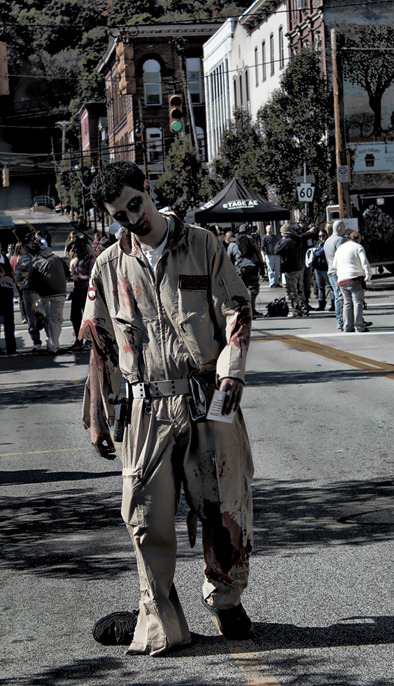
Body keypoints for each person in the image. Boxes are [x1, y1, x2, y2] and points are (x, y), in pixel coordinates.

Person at [80, 161, 254, 657]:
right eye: (119, 214)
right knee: (144, 516)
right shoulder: (108, 266)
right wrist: (97, 416)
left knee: (225, 507)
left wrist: (232, 370)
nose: (132, 218)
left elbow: (236, 309)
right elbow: (100, 345)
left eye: (135, 204)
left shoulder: (203, 245)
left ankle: (226, 601)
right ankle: (159, 619)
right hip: (145, 408)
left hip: (208, 399)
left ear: (148, 189)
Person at [25, 239, 67, 354]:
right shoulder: (56, 257)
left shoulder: (34, 262)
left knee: (41, 305)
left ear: (29, 253)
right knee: (56, 319)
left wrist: (33, 305)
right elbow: (67, 272)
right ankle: (54, 345)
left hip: (45, 293)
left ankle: (40, 312)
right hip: (60, 291)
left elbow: (32, 286)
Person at [333, 231, 373, 333]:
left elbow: (334, 265)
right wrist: (368, 275)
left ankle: (347, 326)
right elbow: (364, 262)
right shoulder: (358, 247)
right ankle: (359, 326)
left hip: (342, 280)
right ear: (357, 238)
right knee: (358, 302)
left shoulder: (340, 249)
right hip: (355, 278)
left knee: (347, 303)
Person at [228, 224, 264, 317]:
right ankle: (252, 309)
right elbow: (258, 251)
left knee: (240, 290)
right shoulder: (251, 239)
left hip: (240, 268)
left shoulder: (232, 243)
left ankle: (244, 310)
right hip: (252, 266)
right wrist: (262, 265)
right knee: (253, 289)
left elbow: (229, 259)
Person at [67, 236, 95, 351]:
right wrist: (72, 275)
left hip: (87, 290)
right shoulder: (76, 261)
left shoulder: (91, 260)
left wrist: (79, 277)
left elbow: (93, 277)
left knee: (88, 317)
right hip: (77, 290)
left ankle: (89, 340)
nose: (76, 252)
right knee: (75, 316)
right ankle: (79, 340)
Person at [14, 247, 43, 352]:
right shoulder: (43, 259)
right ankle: (51, 340)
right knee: (47, 315)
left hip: (28, 289)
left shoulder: (23, 260)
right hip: (41, 289)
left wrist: (24, 275)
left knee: (31, 317)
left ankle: (37, 342)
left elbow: (17, 277)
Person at [274, 223, 307, 316]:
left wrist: (282, 240)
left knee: (292, 290)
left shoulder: (287, 241)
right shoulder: (298, 239)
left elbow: (276, 250)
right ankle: (304, 308)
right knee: (300, 289)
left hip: (291, 269)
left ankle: (297, 309)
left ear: (284, 233)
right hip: (299, 267)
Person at [324, 219, 347, 330]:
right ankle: (341, 321)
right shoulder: (339, 240)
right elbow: (343, 256)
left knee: (337, 296)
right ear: (339, 228)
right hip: (338, 272)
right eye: (344, 227)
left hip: (330, 271)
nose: (345, 229)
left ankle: (340, 320)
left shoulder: (327, 240)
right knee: (340, 297)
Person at [311, 229, 333, 311]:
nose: (321, 238)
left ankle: (333, 304)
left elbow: (319, 253)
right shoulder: (317, 244)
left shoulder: (327, 244)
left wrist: (316, 251)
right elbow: (313, 252)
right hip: (318, 268)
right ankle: (321, 304)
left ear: (326, 235)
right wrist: (316, 251)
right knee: (320, 287)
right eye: (319, 236)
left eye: (323, 236)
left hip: (325, 267)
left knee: (330, 286)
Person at [261, 224, 280, 288]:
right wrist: (263, 257)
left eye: (271, 229)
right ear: (266, 230)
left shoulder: (275, 237)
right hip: (269, 255)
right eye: (269, 229)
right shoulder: (264, 238)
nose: (270, 230)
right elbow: (262, 248)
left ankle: (277, 282)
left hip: (276, 255)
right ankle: (272, 283)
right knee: (270, 270)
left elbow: (278, 245)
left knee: (277, 269)